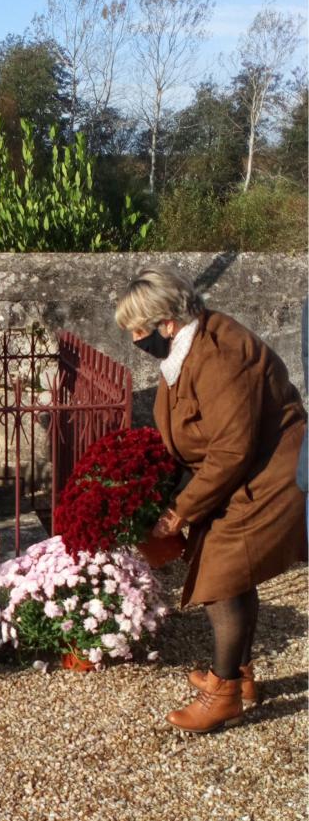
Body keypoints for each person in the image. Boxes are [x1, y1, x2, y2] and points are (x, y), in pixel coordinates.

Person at [115, 265, 307, 734]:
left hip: (269, 469)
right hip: (241, 469)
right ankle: (239, 677)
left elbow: (232, 448)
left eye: (139, 329)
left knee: (220, 572)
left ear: (167, 323)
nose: (135, 339)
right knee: (234, 572)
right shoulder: (187, 349)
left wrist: (180, 510)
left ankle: (222, 694)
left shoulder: (221, 354)